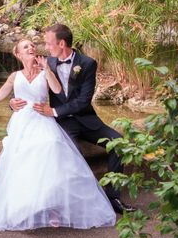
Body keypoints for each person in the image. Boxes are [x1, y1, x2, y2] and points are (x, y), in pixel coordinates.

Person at [0, 39, 116, 231]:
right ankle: (27, 208)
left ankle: (53, 208)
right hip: (22, 122)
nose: (31, 48)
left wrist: (47, 70)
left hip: (42, 118)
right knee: (22, 155)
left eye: (33, 45)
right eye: (26, 47)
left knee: (51, 145)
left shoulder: (45, 70)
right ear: (18, 54)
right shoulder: (14, 76)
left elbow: (58, 90)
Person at [10, 24, 135, 214]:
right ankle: (70, 204)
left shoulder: (87, 63)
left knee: (118, 144)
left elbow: (84, 101)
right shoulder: (47, 63)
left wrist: (54, 111)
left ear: (61, 43)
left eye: (49, 43)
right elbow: (27, 89)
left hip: (86, 119)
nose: (46, 46)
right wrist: (11, 104)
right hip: (63, 124)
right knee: (69, 154)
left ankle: (113, 198)